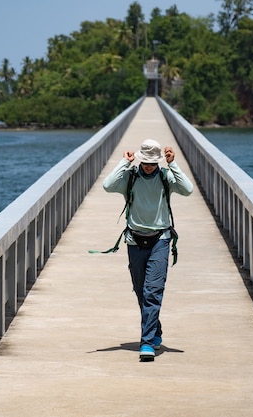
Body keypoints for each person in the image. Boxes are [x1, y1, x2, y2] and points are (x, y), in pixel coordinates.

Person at [103, 138, 193, 361]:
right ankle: (155, 331)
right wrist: (124, 162)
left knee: (153, 291)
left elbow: (188, 190)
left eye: (154, 162)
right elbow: (107, 185)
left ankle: (147, 343)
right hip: (134, 240)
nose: (149, 166)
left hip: (160, 240)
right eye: (146, 162)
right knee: (141, 291)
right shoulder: (131, 177)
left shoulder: (165, 177)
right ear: (141, 159)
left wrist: (173, 165)